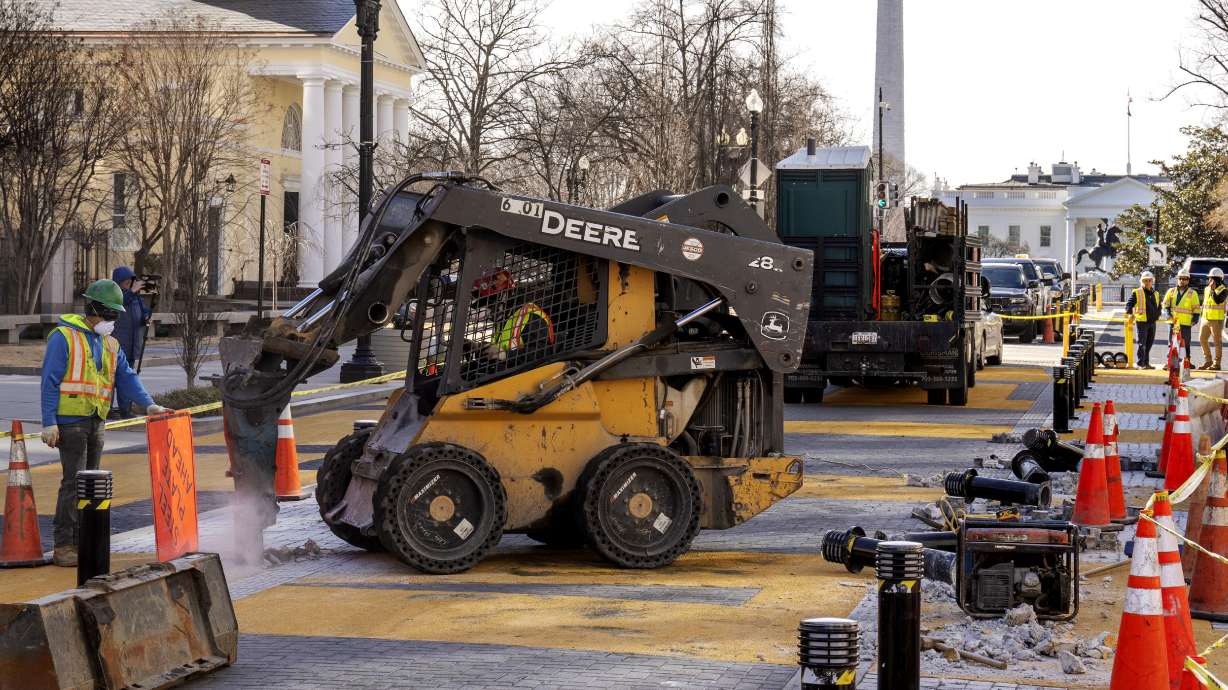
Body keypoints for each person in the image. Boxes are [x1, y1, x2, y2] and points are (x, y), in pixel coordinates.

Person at [39, 279, 171, 566]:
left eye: (116, 316)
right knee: (73, 483)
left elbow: (126, 377)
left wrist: (148, 403)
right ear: (94, 309)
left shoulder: (110, 343)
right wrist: (49, 421)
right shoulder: (63, 337)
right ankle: (64, 545)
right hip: (70, 422)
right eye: (110, 314)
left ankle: (84, 540)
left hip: (97, 419)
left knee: (91, 485)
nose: (113, 321)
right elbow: (49, 381)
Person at [110, 266, 151, 416]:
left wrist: (146, 316)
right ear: (118, 283)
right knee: (111, 380)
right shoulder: (115, 297)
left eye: (131, 282)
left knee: (126, 379)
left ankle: (125, 410)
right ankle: (106, 410)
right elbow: (122, 302)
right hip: (117, 345)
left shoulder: (136, 298)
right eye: (126, 283)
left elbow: (143, 310)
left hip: (132, 345)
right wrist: (131, 291)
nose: (130, 285)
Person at [1164, 268, 1201, 363]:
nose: (1182, 281)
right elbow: (1165, 305)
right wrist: (1168, 314)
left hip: (1186, 323)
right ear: (1177, 279)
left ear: (1188, 280)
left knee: (1185, 344)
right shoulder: (1171, 291)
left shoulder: (1193, 293)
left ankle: (1187, 363)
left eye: (1184, 279)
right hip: (1174, 323)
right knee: (1172, 343)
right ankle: (1170, 363)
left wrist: (1195, 318)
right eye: (1180, 278)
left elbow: (1196, 308)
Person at [1126, 271, 1161, 368]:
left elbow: (1159, 307)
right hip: (1142, 322)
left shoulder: (1156, 293)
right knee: (1142, 344)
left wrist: (1157, 316)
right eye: (1145, 280)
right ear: (1142, 281)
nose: (1147, 282)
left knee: (1149, 343)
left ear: (1152, 281)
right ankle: (1140, 363)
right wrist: (1130, 314)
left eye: (1149, 280)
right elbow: (1129, 305)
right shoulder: (1137, 292)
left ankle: (1146, 363)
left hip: (1152, 322)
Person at [1202, 267, 1228, 370]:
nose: (1210, 281)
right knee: (1202, 339)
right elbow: (1205, 303)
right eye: (1209, 278)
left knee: (1217, 342)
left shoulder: (1224, 290)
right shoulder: (1206, 289)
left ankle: (1217, 364)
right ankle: (1208, 361)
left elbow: (1217, 301)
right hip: (1205, 318)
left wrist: (1213, 289)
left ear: (1218, 280)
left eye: (1212, 279)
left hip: (1217, 320)